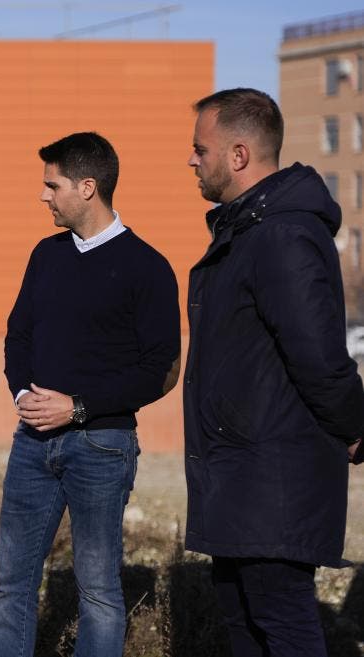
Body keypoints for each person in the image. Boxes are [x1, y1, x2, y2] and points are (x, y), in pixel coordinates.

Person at [183, 87, 364, 657]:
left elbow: (317, 353)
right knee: (243, 619)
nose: (191, 160)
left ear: (238, 156)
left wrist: (355, 424)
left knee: (281, 622)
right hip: (240, 474)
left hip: (272, 476)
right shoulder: (247, 231)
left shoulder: (282, 235)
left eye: (200, 149)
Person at [0, 132, 181, 657]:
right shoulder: (45, 255)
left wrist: (77, 407)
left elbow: (160, 370)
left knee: (98, 592)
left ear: (87, 186)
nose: (43, 196)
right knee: (11, 585)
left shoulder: (148, 267)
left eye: (52, 185)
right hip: (31, 442)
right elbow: (18, 334)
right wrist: (21, 395)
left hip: (102, 446)